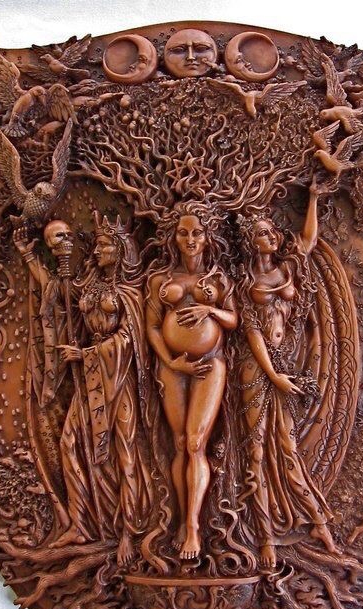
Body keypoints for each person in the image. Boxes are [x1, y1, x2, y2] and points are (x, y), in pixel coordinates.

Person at [237, 179, 338, 569]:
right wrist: (272, 374)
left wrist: (312, 197)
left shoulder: (289, 268)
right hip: (255, 367)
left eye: (271, 232)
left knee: (288, 445)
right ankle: (264, 537)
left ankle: (317, 521)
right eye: (261, 234)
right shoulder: (245, 281)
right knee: (255, 450)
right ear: (250, 242)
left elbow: (308, 240)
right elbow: (251, 331)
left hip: (285, 362)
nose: (270, 238)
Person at [48, 212, 153, 567]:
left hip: (118, 377)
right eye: (96, 245)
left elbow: (130, 339)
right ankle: (80, 523)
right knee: (69, 441)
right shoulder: (88, 284)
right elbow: (62, 300)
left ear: (121, 249)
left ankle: (128, 532)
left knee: (125, 450)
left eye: (104, 246)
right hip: (90, 375)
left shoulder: (130, 292)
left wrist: (87, 354)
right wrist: (53, 263)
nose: (96, 251)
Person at [145, 201, 238, 560]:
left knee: (197, 441)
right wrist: (171, 361)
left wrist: (210, 308)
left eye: (197, 232)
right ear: (174, 237)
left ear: (207, 236)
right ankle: (180, 521)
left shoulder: (218, 279)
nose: (190, 239)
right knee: (181, 442)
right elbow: (153, 326)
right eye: (183, 233)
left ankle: (194, 527)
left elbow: (233, 320)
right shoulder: (161, 280)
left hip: (210, 365)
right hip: (173, 367)